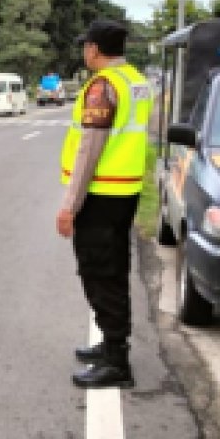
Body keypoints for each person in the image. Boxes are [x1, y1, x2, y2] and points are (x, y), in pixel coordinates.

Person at [56, 19, 154, 389]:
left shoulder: (103, 86)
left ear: (94, 49)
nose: (85, 51)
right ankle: (111, 345)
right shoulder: (136, 81)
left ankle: (117, 361)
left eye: (86, 46)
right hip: (125, 191)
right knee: (114, 269)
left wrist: (70, 205)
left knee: (99, 273)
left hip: (101, 194)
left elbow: (89, 150)